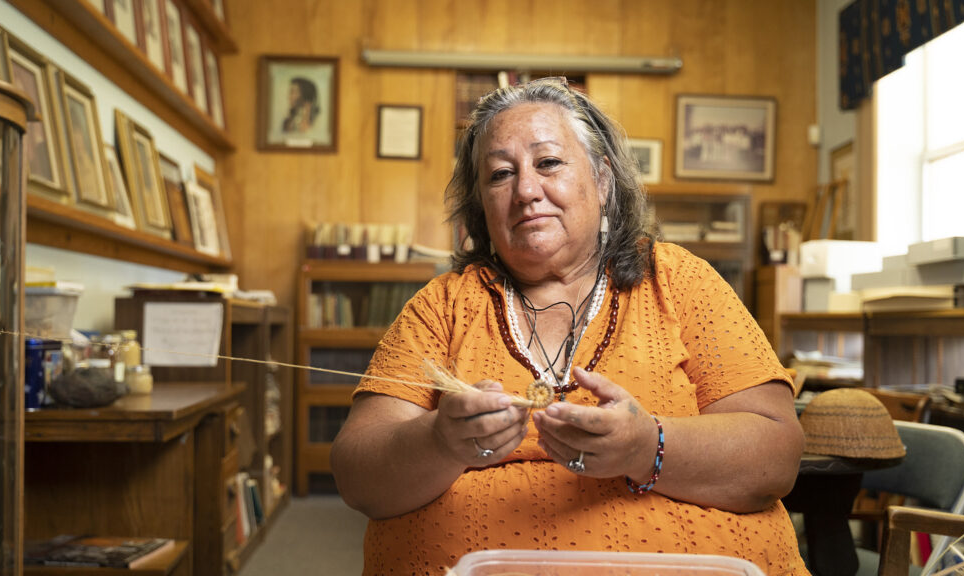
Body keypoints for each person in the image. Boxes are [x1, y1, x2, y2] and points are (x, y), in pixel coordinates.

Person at [331, 77, 808, 576]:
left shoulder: (679, 280)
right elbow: (358, 475)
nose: (525, 191)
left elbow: (776, 455)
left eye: (549, 163)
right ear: (481, 207)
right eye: (499, 175)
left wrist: (647, 447)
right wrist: (437, 442)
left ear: (602, 181)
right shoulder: (442, 306)